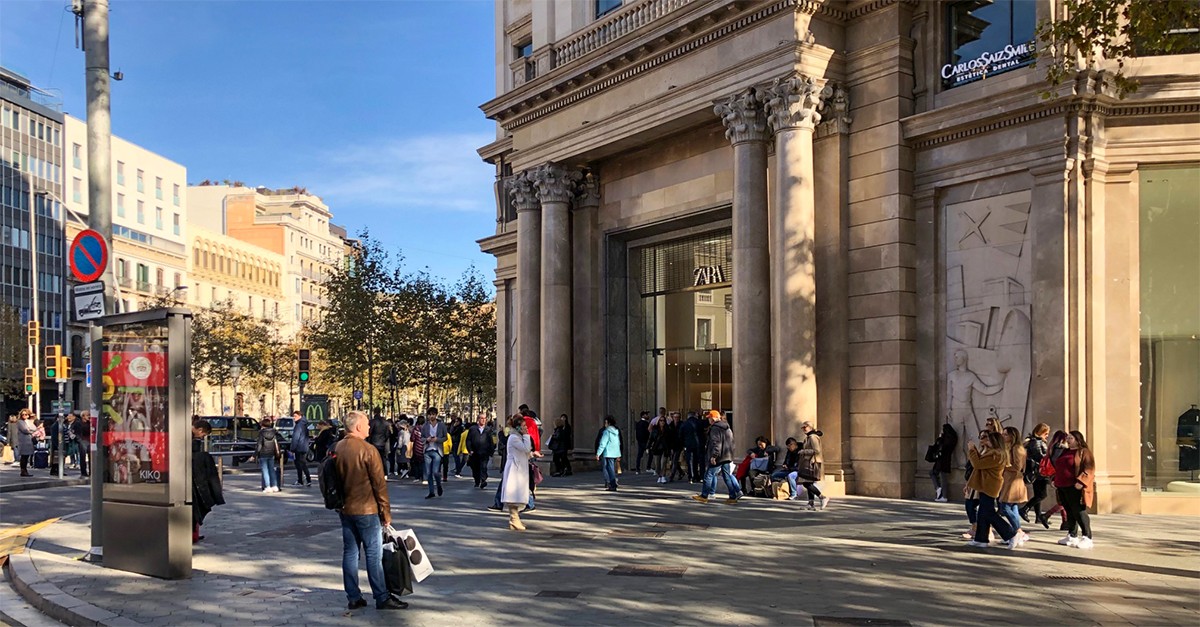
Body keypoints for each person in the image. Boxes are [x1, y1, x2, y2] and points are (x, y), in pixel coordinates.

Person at [335, 410, 405, 611]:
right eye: (366, 424)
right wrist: (386, 512)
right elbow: (379, 485)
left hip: (345, 509)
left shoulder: (336, 448)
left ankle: (353, 596)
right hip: (367, 509)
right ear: (357, 427)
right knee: (373, 554)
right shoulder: (368, 450)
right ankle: (382, 596)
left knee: (350, 552)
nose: (369, 427)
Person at [966, 430, 1019, 549]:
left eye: (989, 440)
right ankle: (981, 538)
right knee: (983, 513)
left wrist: (971, 450)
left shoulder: (997, 454)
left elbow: (978, 464)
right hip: (985, 484)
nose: (986, 441)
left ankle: (1011, 533)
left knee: (988, 512)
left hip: (990, 485)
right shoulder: (991, 452)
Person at [1053, 430, 1096, 549]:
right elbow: (1059, 466)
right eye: (1068, 438)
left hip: (1075, 486)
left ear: (1078, 440)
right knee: (1068, 510)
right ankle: (1072, 535)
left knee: (1078, 510)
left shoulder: (1084, 452)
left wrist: (1081, 481)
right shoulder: (1065, 451)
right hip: (1062, 485)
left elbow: (1089, 468)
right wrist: (1054, 479)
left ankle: (1087, 537)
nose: (1068, 440)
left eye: (1071, 438)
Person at [692, 410, 743, 504]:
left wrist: (714, 456)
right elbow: (732, 443)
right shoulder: (727, 427)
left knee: (708, 475)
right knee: (727, 476)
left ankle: (704, 495)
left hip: (719, 456)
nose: (709, 420)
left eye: (710, 418)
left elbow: (716, 443)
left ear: (714, 418)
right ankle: (732, 497)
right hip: (727, 455)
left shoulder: (715, 428)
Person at [501, 415, 542, 530]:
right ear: (518, 427)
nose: (526, 428)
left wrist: (534, 454)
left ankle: (515, 519)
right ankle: (514, 519)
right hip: (515, 469)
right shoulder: (514, 437)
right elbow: (525, 448)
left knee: (517, 494)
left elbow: (525, 452)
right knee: (513, 494)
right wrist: (526, 435)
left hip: (518, 468)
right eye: (523, 426)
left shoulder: (517, 437)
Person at [191, 419, 224, 543]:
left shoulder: (191, 438)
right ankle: (191, 532)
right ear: (199, 430)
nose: (202, 437)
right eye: (203, 435)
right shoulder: (188, 438)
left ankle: (193, 531)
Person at [999, 426, 1029, 546]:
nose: (1003, 436)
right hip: (1008, 479)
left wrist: (1004, 467)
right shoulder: (1008, 447)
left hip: (1013, 480)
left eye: (1006, 434)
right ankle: (1017, 531)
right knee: (1013, 507)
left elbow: (1017, 466)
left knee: (1005, 506)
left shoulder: (1017, 448)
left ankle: (1017, 531)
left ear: (1012, 436)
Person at [1021, 423, 1051, 527]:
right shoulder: (1037, 442)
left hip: (1037, 472)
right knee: (1042, 495)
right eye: (1046, 433)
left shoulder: (1033, 441)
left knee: (1038, 494)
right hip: (1039, 472)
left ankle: (1038, 516)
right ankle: (1025, 508)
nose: (1047, 435)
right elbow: (1040, 457)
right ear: (1040, 432)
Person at [797, 422, 829, 510]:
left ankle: (822, 497)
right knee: (808, 482)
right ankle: (811, 503)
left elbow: (816, 450)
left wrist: (803, 451)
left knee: (806, 483)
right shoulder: (809, 437)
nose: (803, 429)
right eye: (802, 427)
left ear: (811, 427)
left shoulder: (813, 437)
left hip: (812, 463)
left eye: (805, 427)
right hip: (808, 462)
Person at [420, 408, 448, 499]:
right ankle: (431, 491)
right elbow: (421, 438)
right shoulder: (425, 426)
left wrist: (437, 439)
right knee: (428, 473)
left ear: (436, 415)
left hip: (437, 450)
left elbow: (445, 437)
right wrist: (426, 439)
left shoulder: (441, 426)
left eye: (433, 414)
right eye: (429, 414)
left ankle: (439, 484)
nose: (431, 416)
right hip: (427, 450)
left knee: (435, 472)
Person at [929, 422, 958, 502]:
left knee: (940, 476)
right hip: (946, 461)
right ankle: (940, 492)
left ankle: (941, 493)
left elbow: (939, 446)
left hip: (941, 461)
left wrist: (940, 438)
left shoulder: (944, 440)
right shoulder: (952, 439)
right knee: (941, 476)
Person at [254, 418, 284, 492]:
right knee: (271, 470)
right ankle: (274, 485)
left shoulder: (262, 433)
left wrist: (255, 454)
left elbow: (259, 445)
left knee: (265, 471)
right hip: (271, 453)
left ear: (262, 425)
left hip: (263, 453)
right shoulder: (274, 432)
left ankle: (267, 486)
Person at [466, 413, 495, 488]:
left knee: (483, 466)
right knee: (475, 467)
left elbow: (490, 441)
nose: (483, 420)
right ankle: (477, 480)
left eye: (485, 418)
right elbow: (468, 440)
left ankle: (483, 480)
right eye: (482, 418)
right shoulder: (473, 429)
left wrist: (491, 451)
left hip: (484, 452)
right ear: (478, 419)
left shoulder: (488, 429)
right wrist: (470, 450)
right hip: (474, 452)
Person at [596, 415, 622, 491]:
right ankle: (612, 483)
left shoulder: (607, 432)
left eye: (606, 422)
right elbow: (618, 443)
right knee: (611, 468)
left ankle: (613, 484)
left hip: (608, 452)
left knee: (609, 468)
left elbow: (603, 443)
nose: (605, 424)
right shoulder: (616, 432)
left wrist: (598, 453)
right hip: (615, 452)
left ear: (608, 423)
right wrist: (619, 454)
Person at [289, 411, 312, 487]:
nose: (294, 418)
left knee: (299, 464)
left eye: (295, 416)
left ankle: (301, 480)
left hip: (298, 447)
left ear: (300, 416)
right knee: (303, 464)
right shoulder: (304, 424)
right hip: (304, 447)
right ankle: (307, 480)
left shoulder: (298, 425)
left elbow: (296, 438)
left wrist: (292, 448)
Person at [679, 411, 703, 483]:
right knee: (698, 461)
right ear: (695, 415)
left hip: (688, 444)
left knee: (690, 461)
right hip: (698, 444)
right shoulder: (699, 422)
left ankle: (691, 477)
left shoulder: (684, 424)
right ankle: (698, 476)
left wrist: (683, 444)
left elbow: (680, 435)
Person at [16, 409, 37, 477]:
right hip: (23, 441)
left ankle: (25, 470)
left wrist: (29, 429)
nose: (24, 416)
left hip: (29, 441)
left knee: (27, 456)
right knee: (24, 456)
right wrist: (30, 431)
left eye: (26, 414)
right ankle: (23, 470)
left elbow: (34, 428)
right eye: (23, 414)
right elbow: (25, 430)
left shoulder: (29, 421)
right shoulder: (20, 422)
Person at [410, 416, 425, 483]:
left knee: (416, 462)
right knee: (423, 463)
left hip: (416, 447)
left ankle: (417, 477)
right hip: (424, 447)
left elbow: (412, 438)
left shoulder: (415, 429)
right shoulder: (426, 428)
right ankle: (423, 476)